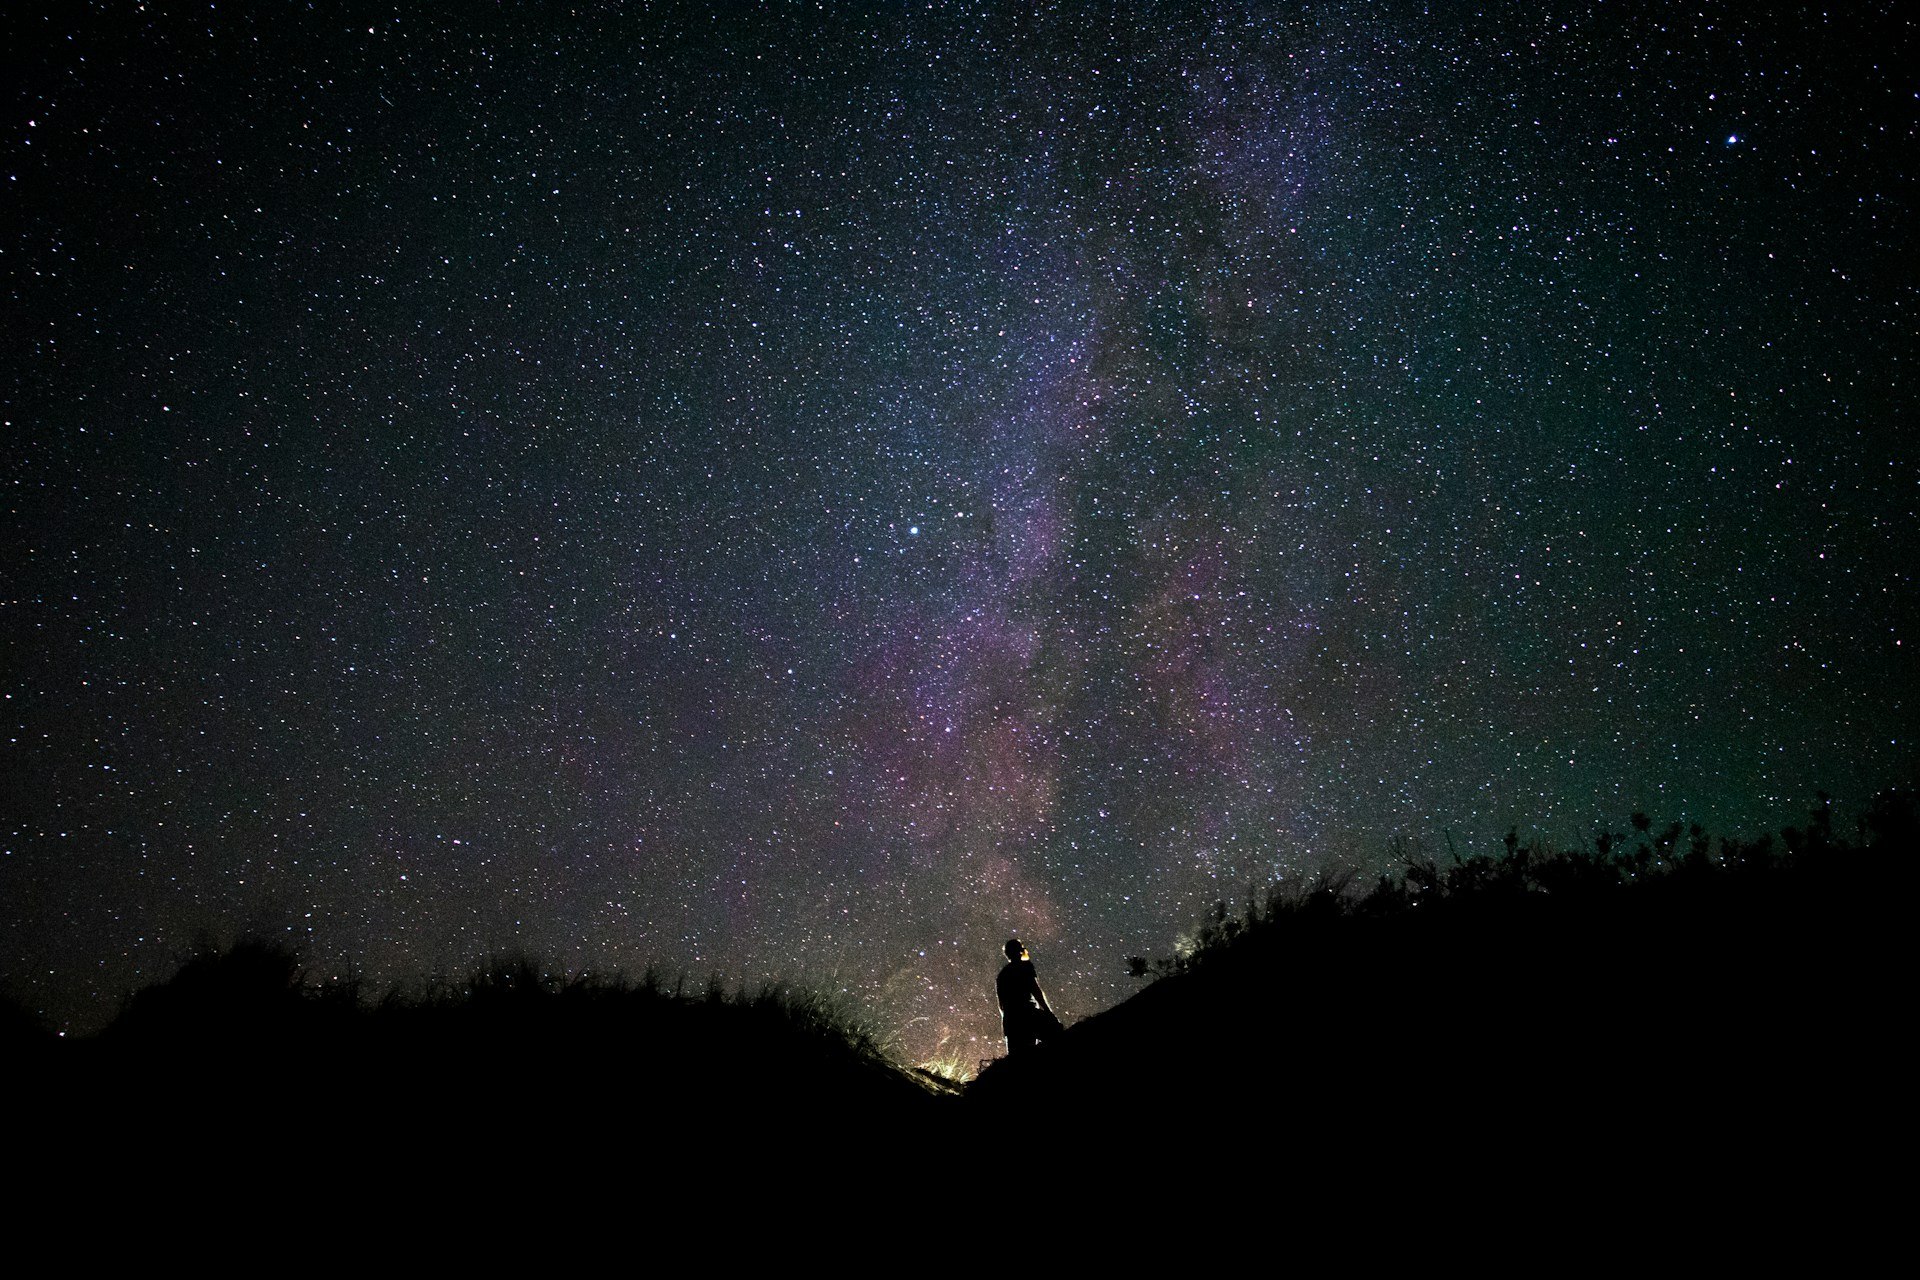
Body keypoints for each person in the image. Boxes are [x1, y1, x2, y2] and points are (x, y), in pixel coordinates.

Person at [996, 938, 1061, 1056]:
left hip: (1011, 1021)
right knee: (1055, 1032)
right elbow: (1036, 991)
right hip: (1027, 1015)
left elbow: (1001, 1005)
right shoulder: (1025, 967)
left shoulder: (1002, 975)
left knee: (1019, 1057)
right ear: (1020, 951)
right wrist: (1048, 1012)